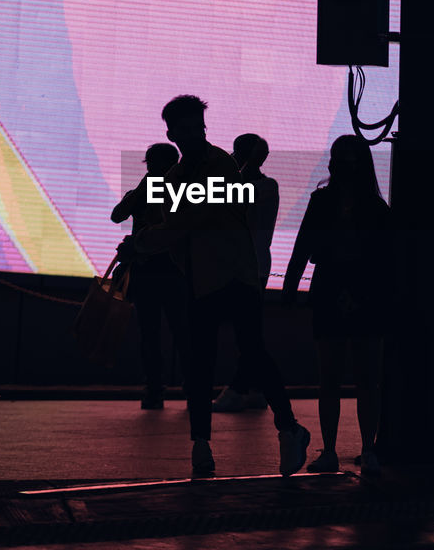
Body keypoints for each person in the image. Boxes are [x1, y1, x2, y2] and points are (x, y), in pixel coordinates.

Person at [134, 96, 309, 477]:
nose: (196, 133)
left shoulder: (220, 167)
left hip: (235, 277)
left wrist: (145, 240)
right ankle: (204, 444)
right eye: (188, 127)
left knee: (249, 352)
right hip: (205, 281)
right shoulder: (183, 177)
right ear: (172, 133)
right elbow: (183, 228)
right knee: (205, 361)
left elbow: (190, 220)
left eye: (198, 126)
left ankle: (286, 427)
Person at [283, 135, 390, 475]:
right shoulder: (374, 207)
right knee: (358, 379)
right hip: (361, 294)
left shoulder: (327, 202)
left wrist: (289, 289)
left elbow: (303, 248)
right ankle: (362, 450)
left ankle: (340, 450)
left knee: (346, 378)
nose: (338, 164)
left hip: (338, 292)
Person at [111, 143, 187, 410]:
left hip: (149, 273)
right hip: (174, 274)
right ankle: (189, 388)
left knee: (151, 335)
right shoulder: (180, 193)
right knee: (180, 333)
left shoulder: (147, 193)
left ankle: (155, 389)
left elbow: (117, 215)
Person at [212, 133, 279, 412]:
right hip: (236, 266)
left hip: (252, 267)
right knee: (247, 331)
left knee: (247, 332)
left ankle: (241, 388)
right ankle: (256, 388)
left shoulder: (265, 186)